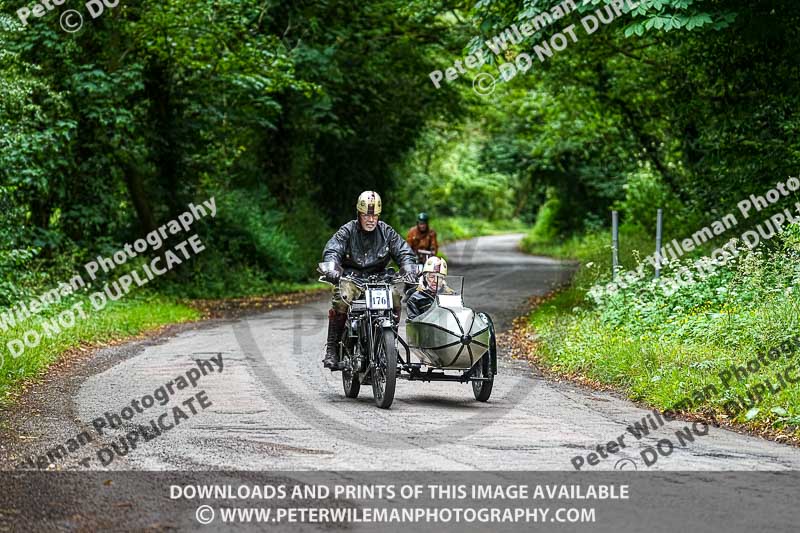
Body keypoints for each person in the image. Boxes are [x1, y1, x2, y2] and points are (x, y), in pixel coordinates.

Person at [320, 191, 417, 370]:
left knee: (396, 296)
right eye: (366, 215)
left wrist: (410, 269)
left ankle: (388, 343)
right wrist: (332, 268)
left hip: (380, 279)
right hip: (352, 278)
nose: (371, 219)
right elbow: (333, 249)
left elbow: (404, 251)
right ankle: (332, 348)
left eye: (374, 215)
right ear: (359, 214)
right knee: (341, 298)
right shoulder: (347, 231)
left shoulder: (387, 232)